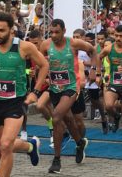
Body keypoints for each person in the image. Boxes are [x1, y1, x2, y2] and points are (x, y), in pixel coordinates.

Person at [0, 12, 49, 177]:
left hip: (15, 103)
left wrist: (35, 92)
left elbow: (44, 65)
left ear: (11, 30)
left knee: (6, 146)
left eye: (1, 30)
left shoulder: (24, 47)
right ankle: (30, 146)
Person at [39, 19, 94, 174]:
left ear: (64, 30)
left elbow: (92, 50)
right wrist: (42, 74)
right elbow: (39, 61)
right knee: (68, 119)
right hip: (55, 88)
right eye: (51, 32)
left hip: (71, 87)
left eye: (57, 32)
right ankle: (79, 143)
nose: (54, 35)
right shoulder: (45, 45)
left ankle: (56, 160)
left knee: (56, 118)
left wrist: (94, 69)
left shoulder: (74, 43)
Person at [96, 25, 122, 146]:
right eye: (116, 35)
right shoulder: (109, 49)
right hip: (113, 82)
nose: (118, 38)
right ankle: (116, 117)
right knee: (109, 106)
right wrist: (97, 73)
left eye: (121, 36)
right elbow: (98, 57)